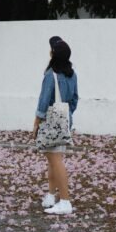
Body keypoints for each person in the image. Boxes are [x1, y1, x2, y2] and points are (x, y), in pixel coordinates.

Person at [32, 35, 79, 215]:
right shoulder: (71, 74)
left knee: (55, 160)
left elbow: (44, 101)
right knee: (52, 159)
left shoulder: (51, 75)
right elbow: (75, 100)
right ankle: (51, 195)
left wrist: (36, 122)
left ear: (53, 54)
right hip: (64, 120)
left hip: (51, 122)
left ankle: (65, 201)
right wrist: (66, 114)